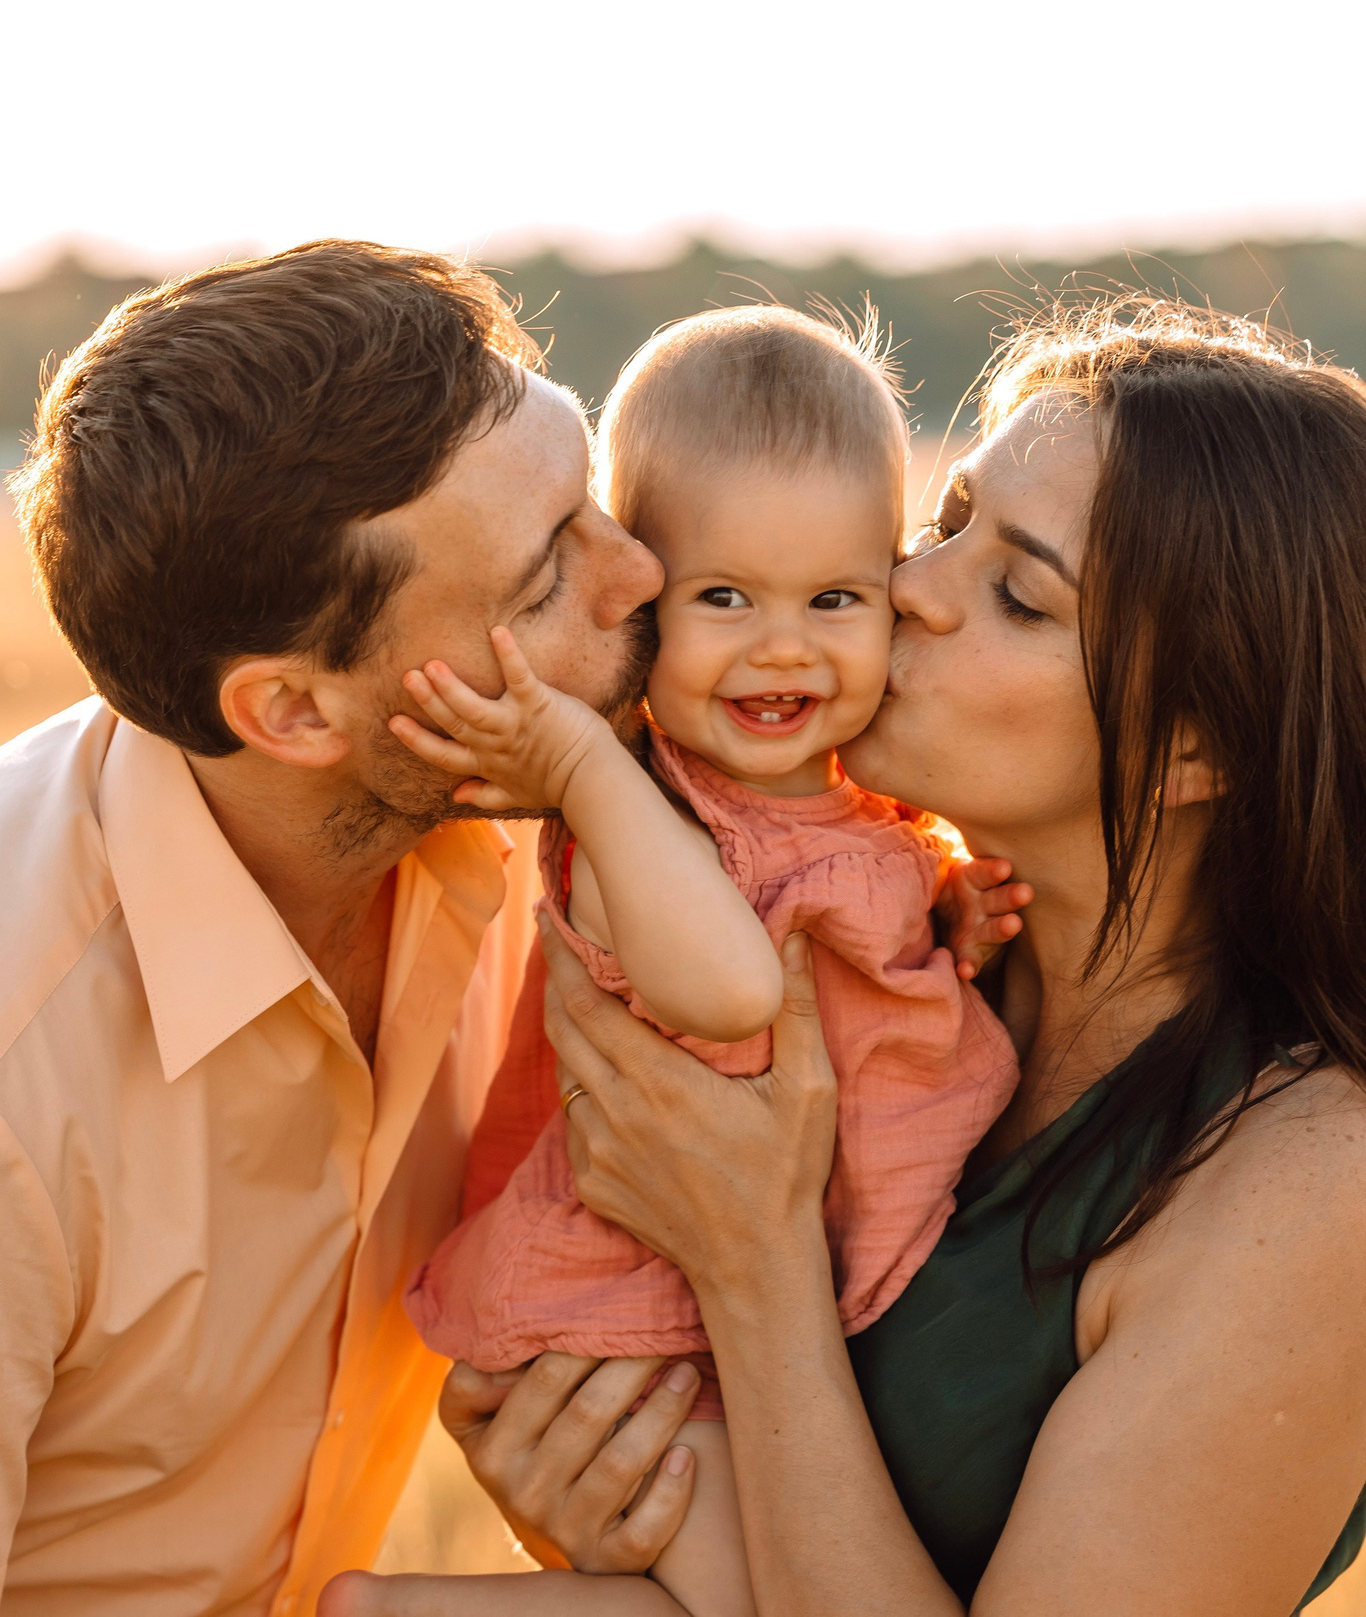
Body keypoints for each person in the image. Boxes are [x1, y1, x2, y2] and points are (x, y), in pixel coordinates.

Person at [327, 301, 1366, 1617]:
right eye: (944, 522)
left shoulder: (1312, 1181)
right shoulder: (904, 953)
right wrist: (603, 1502)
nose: (905, 588)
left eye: (1016, 593)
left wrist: (754, 1272)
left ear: (1189, 750)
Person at [0, 240, 663, 1616]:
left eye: (590, 496)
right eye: (544, 581)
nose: (642, 572)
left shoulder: (531, 828)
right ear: (294, 713)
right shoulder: (22, 1060)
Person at [392, 308, 1025, 1616]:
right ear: (640, 593)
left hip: (719, 1301)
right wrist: (570, 763)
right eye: (721, 597)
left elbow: (851, 957)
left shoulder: (855, 808)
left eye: (834, 599)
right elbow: (733, 989)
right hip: (627, 1320)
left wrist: (946, 920)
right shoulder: (647, 813)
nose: (781, 646)